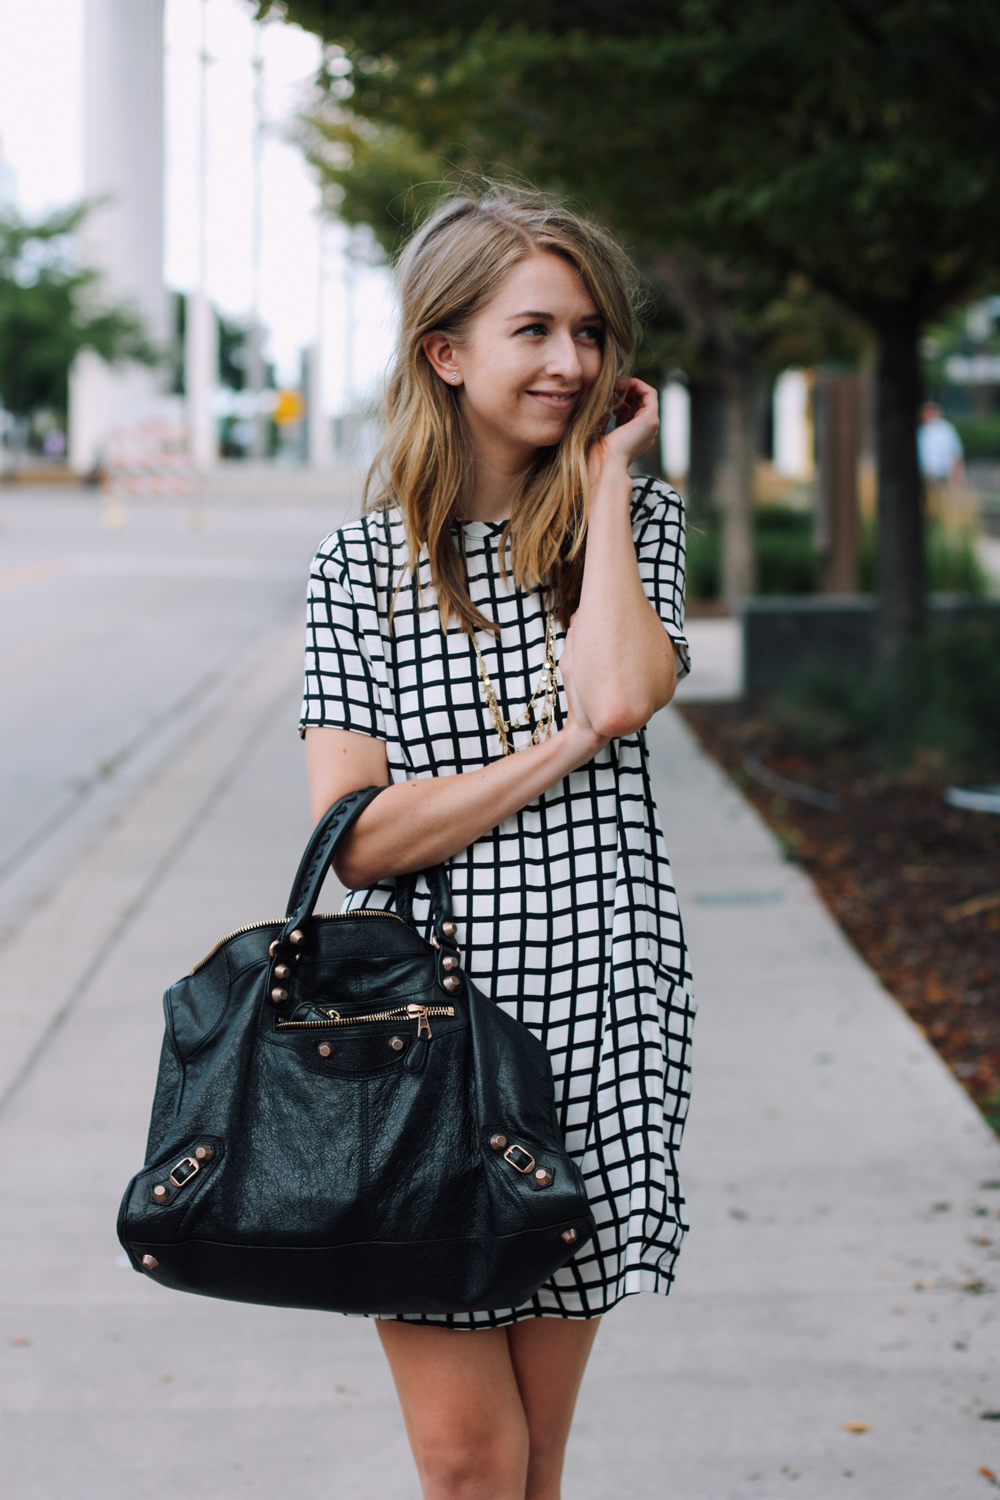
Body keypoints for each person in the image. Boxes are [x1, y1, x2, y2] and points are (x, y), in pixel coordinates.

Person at [300, 184, 694, 1500]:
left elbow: (627, 688)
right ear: (446, 351)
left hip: (598, 1026)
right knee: (468, 1463)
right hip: (418, 1047)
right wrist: (560, 747)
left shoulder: (629, 529)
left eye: (591, 332)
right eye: (535, 329)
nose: (573, 361)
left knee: (535, 1459)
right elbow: (359, 837)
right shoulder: (359, 568)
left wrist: (605, 478)